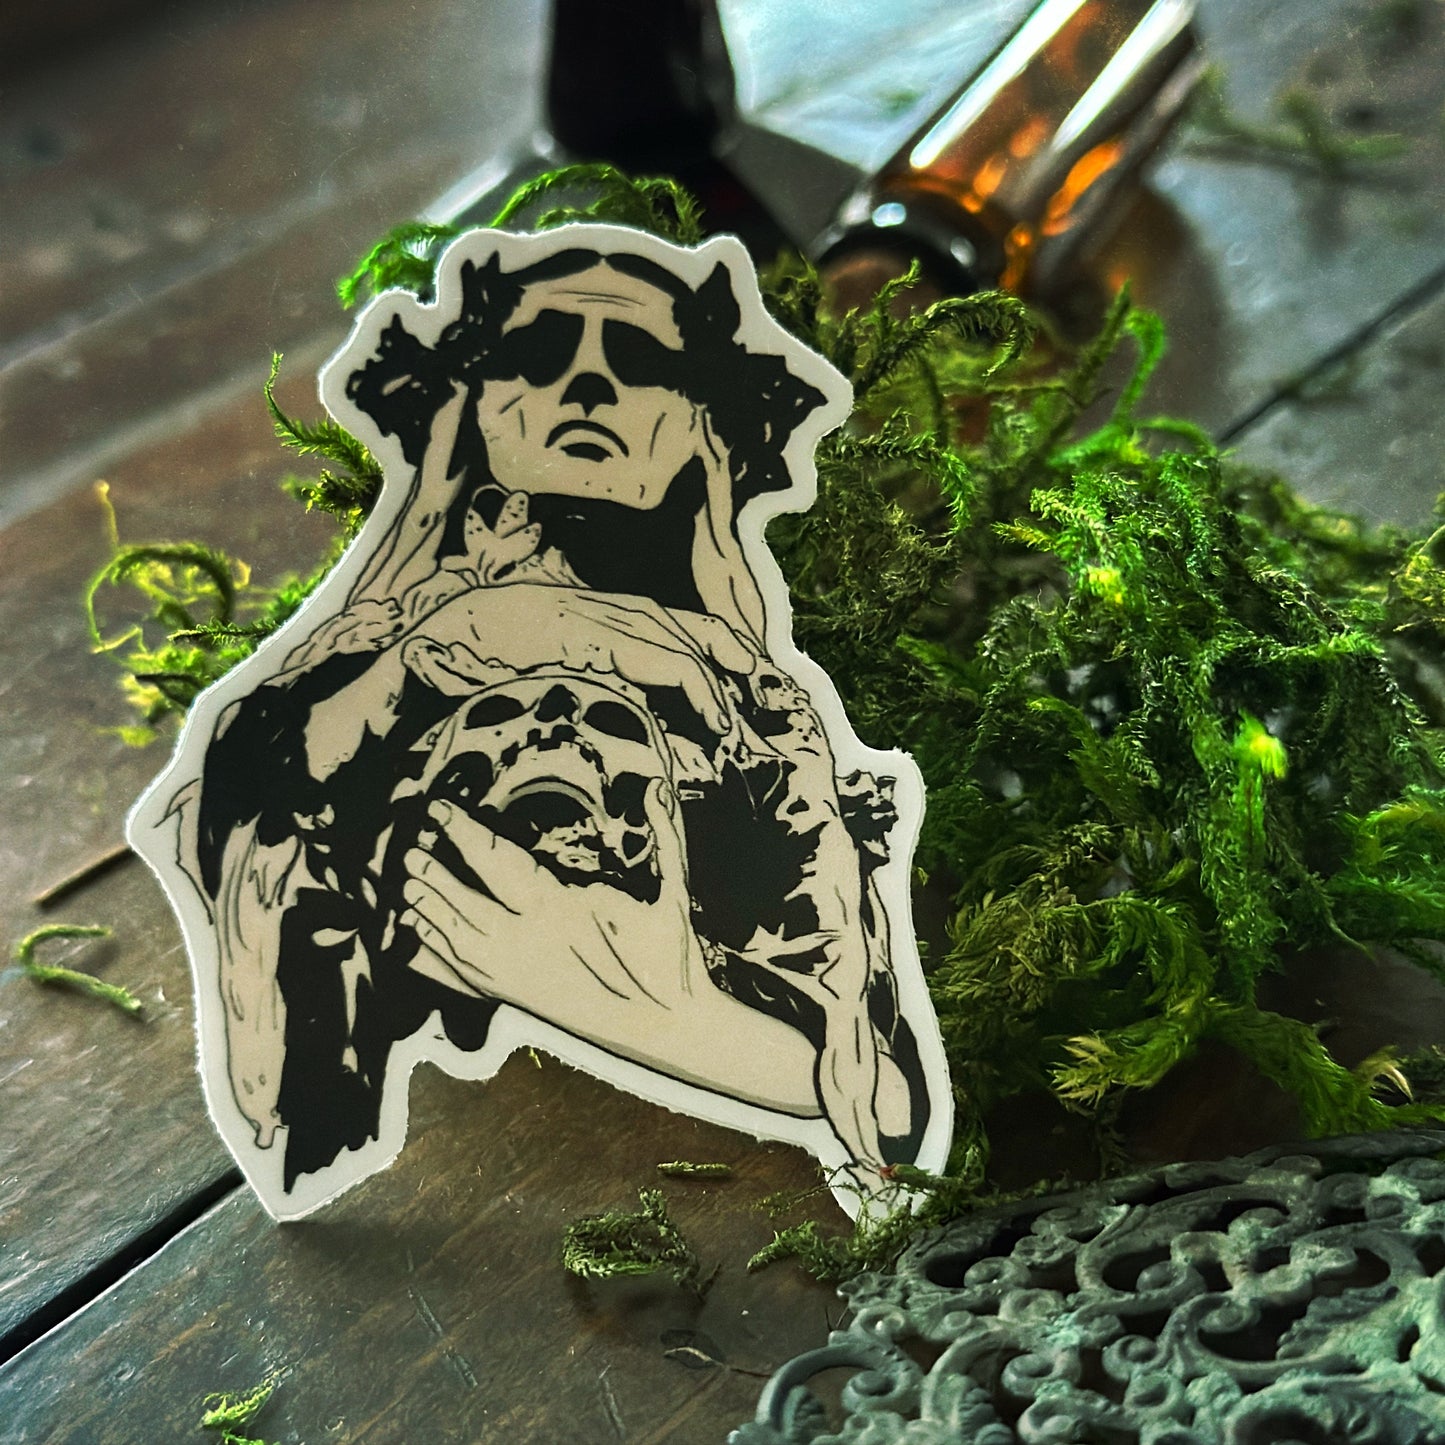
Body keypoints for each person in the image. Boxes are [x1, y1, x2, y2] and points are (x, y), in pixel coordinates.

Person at [137, 228, 949, 1215]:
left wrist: (654, 1011)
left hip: (663, 1188)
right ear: (469, 404)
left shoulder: (753, 713)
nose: (588, 385)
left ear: (702, 423)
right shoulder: (362, 660)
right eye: (537, 353)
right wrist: (451, 641)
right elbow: (248, 865)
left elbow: (887, 1106)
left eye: (639, 362)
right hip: (454, 1181)